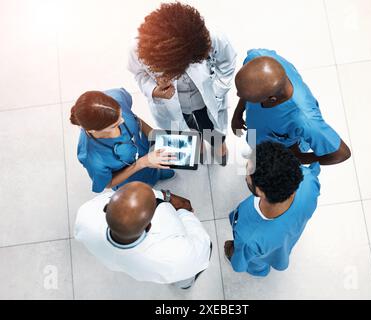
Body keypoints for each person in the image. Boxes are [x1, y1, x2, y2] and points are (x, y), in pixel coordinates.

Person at [128, 2, 237, 165]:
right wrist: (153, 90)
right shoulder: (139, 50)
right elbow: (139, 73)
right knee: (186, 131)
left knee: (212, 129)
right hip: (171, 105)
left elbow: (227, 63)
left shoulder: (211, 37)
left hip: (205, 99)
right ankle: (196, 147)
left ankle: (218, 146)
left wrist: (217, 92)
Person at [75, 182, 212, 289]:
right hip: (179, 268)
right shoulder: (178, 255)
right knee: (184, 276)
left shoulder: (86, 216)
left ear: (106, 207)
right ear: (148, 226)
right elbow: (203, 247)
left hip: (115, 261)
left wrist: (163, 196)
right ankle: (184, 285)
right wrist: (184, 213)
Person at [232, 49, 351, 165]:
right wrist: (237, 114)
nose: (238, 95)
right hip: (256, 133)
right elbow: (248, 88)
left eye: (248, 97)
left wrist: (295, 158)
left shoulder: (305, 120)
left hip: (279, 152)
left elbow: (341, 154)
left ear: (272, 99)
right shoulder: (257, 57)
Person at [224, 141, 320, 276]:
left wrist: (234, 252)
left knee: (257, 263)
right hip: (285, 241)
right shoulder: (309, 182)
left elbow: (239, 265)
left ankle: (260, 271)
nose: (246, 167)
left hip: (259, 253)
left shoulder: (249, 237)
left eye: (248, 169)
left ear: (260, 192)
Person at [70, 88, 176, 193]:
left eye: (121, 116)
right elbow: (108, 183)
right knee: (144, 192)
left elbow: (135, 119)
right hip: (130, 180)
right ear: (93, 131)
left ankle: (156, 173)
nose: (123, 121)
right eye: (114, 125)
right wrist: (142, 163)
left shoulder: (116, 97)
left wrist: (156, 136)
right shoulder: (91, 157)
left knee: (158, 169)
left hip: (148, 153)